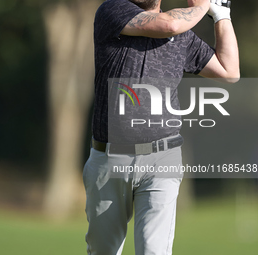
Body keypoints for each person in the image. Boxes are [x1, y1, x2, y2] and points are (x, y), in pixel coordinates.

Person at [83, 0, 239, 254]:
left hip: (162, 158)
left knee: (154, 251)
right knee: (103, 250)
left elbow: (230, 71)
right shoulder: (113, 11)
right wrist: (204, 4)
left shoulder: (183, 38)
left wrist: (221, 15)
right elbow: (170, 24)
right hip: (110, 160)